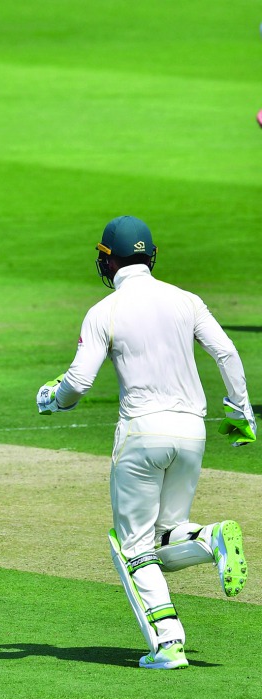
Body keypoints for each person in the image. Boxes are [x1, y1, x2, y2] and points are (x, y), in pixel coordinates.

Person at [37, 215, 253, 670]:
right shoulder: (185, 299)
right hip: (191, 432)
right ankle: (210, 538)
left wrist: (53, 399)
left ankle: (167, 644)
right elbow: (227, 352)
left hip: (140, 433)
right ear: (151, 257)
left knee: (130, 546)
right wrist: (240, 412)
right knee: (164, 538)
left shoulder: (104, 311)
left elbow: (77, 382)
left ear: (107, 259)